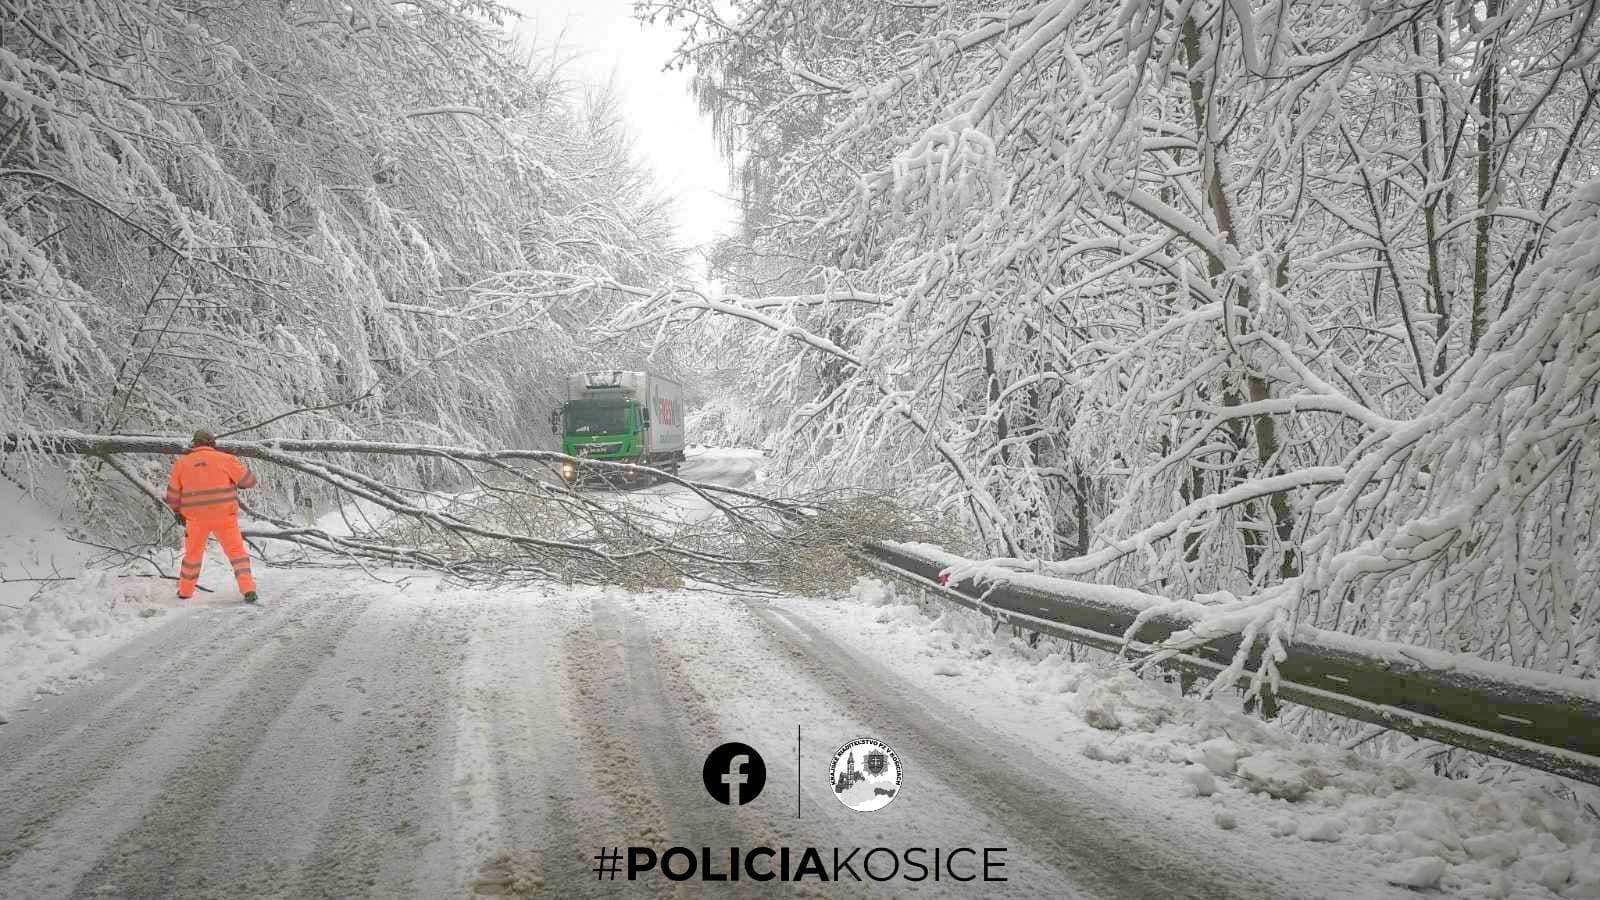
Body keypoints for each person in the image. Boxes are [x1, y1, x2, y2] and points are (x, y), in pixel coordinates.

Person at [163, 430, 259, 603]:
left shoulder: (182, 464)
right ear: (212, 443)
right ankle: (248, 589)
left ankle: (185, 591)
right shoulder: (225, 459)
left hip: (195, 519)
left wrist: (177, 511)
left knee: (192, 557)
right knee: (237, 554)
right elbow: (249, 481)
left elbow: (172, 496)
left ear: (194, 444)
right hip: (224, 517)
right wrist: (240, 482)